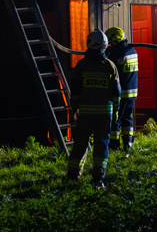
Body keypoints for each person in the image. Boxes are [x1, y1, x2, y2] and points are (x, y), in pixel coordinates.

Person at [67, 29, 120, 190]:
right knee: (101, 145)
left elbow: (75, 91)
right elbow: (116, 94)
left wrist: (73, 109)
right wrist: (116, 112)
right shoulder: (110, 66)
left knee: (80, 144)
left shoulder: (81, 65)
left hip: (86, 114)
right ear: (104, 46)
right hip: (104, 115)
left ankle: (72, 176)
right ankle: (99, 178)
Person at [105, 27, 139, 153]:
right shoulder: (133, 51)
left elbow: (111, 70)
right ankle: (128, 143)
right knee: (127, 118)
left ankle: (114, 145)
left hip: (121, 93)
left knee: (116, 119)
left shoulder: (117, 54)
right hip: (132, 92)